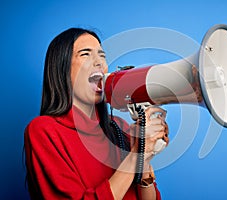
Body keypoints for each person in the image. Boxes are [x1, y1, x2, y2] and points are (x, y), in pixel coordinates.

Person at [24, 27, 169, 200]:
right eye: (85, 54)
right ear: (61, 68)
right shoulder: (44, 131)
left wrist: (144, 158)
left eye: (102, 55)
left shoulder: (119, 127)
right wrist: (136, 154)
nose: (99, 62)